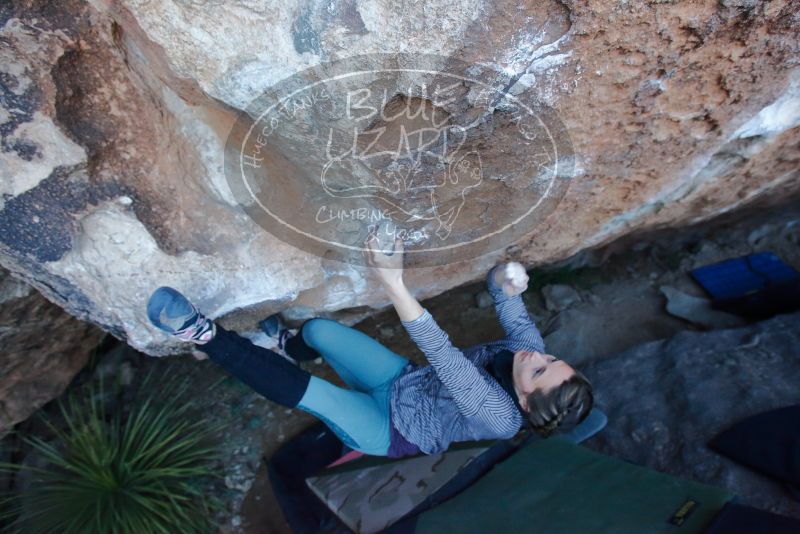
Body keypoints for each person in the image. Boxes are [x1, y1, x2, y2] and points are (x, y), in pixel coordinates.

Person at [145, 233, 594, 458]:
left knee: (315, 394)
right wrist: (509, 276)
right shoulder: (528, 352)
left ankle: (201, 333)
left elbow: (443, 355)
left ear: (523, 400)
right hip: (404, 383)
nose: (538, 355)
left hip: (390, 429)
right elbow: (504, 297)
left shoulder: (499, 416)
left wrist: (393, 282)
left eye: (539, 370)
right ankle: (285, 344)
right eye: (551, 358)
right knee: (319, 331)